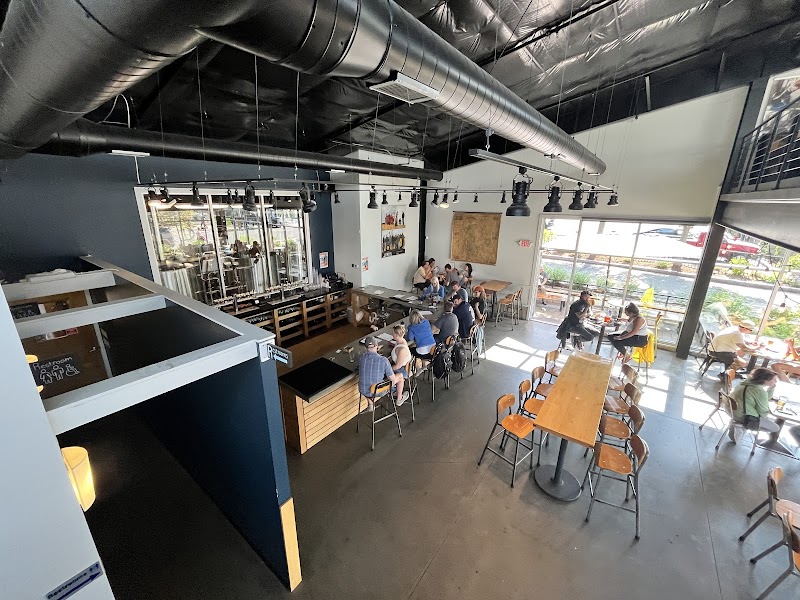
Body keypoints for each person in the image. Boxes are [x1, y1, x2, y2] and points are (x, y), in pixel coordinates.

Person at [727, 367, 780, 442]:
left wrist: (771, 389)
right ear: (765, 380)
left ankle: (739, 425)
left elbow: (764, 398)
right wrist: (768, 413)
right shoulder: (759, 391)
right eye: (774, 380)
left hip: (732, 411)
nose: (776, 382)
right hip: (745, 417)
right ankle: (742, 426)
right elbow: (762, 412)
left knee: (767, 420)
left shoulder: (745, 383)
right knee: (776, 428)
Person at [358, 336, 407, 406]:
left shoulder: (361, 358)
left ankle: (370, 402)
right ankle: (399, 398)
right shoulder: (383, 360)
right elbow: (392, 378)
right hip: (378, 391)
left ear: (365, 347)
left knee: (366, 382)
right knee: (400, 376)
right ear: (377, 346)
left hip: (363, 390)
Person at [390, 324, 412, 396]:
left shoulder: (402, 350)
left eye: (393, 333)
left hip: (401, 370)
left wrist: (388, 369)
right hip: (400, 367)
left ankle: (393, 391)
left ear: (396, 335)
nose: (392, 335)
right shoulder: (400, 341)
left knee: (383, 372)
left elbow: (397, 366)